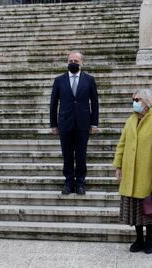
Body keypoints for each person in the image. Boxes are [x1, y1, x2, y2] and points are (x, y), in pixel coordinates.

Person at [113, 89, 152, 254]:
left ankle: (149, 240)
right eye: (133, 99)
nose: (134, 102)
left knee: (148, 207)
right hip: (130, 172)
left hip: (147, 172)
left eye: (137, 99)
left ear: (147, 101)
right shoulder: (130, 120)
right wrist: (118, 166)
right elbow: (122, 144)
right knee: (135, 208)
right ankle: (138, 239)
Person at [49, 51, 99, 195]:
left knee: (81, 154)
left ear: (82, 63)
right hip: (65, 123)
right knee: (67, 154)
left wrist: (94, 123)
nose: (73, 63)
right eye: (70, 60)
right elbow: (53, 103)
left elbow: (94, 102)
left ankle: (80, 183)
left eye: (76, 61)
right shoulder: (59, 80)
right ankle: (69, 182)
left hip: (83, 123)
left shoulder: (89, 80)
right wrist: (53, 124)